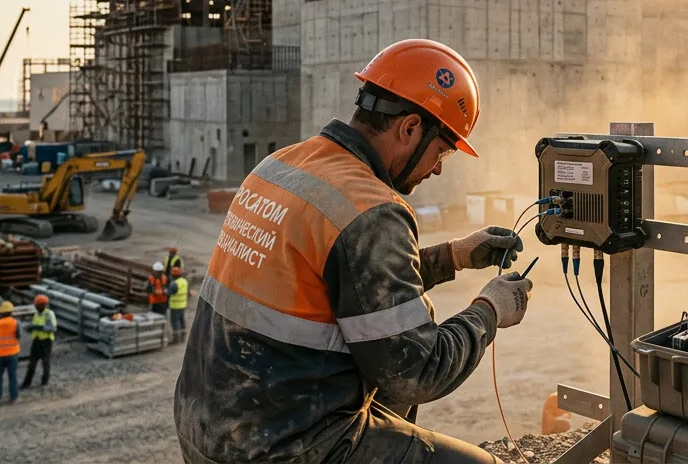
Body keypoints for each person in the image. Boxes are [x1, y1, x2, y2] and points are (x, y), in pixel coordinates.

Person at [176, 39, 532, 464]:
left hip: (209, 426)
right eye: (442, 151)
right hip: (278, 446)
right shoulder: (370, 208)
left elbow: (351, 283)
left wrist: (453, 255)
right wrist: (490, 310)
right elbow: (418, 370)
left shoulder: (282, 166)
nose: (438, 168)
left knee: (390, 401)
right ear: (410, 128)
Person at [21, 293, 58, 388]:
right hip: (36, 341)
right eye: (36, 305)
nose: (36, 307)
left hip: (46, 342)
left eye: (37, 305)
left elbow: (52, 328)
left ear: (43, 305)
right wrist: (30, 328)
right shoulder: (36, 314)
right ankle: (27, 383)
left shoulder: (49, 314)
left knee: (45, 362)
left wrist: (37, 327)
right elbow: (35, 325)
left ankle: (44, 381)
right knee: (32, 363)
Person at [0, 301, 21, 406]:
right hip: (12, 353)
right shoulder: (15, 322)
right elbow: (18, 336)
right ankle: (13, 397)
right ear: (11, 312)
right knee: (12, 376)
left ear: (1, 312)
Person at [167, 266, 189, 344]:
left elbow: (168, 293)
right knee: (182, 321)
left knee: (175, 322)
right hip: (183, 305)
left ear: (173, 275)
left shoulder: (174, 284)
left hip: (175, 306)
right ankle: (183, 338)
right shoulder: (184, 281)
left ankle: (176, 340)